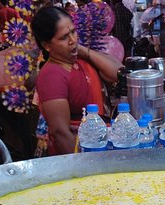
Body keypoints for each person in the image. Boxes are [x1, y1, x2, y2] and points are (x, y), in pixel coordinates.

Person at [31, 5, 122, 155]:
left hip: (98, 147)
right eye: (64, 37)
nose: (72, 40)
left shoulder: (80, 61)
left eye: (73, 32)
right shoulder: (52, 75)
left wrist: (82, 50)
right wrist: (83, 168)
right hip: (80, 154)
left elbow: (119, 72)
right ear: (47, 45)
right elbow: (61, 133)